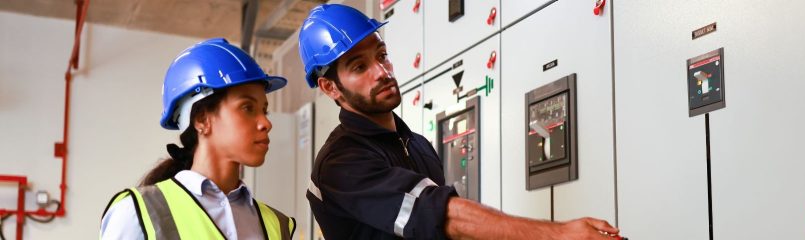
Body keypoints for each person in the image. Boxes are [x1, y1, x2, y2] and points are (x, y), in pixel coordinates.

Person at [299, 4, 623, 240]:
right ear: (330, 87)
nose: (383, 73)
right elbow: (442, 215)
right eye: (359, 67)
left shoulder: (418, 145)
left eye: (381, 56)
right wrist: (558, 234)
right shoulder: (340, 163)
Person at [100, 38, 296, 240]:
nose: (266, 123)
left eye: (265, 111)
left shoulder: (276, 225)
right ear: (202, 119)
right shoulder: (137, 214)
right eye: (248, 108)